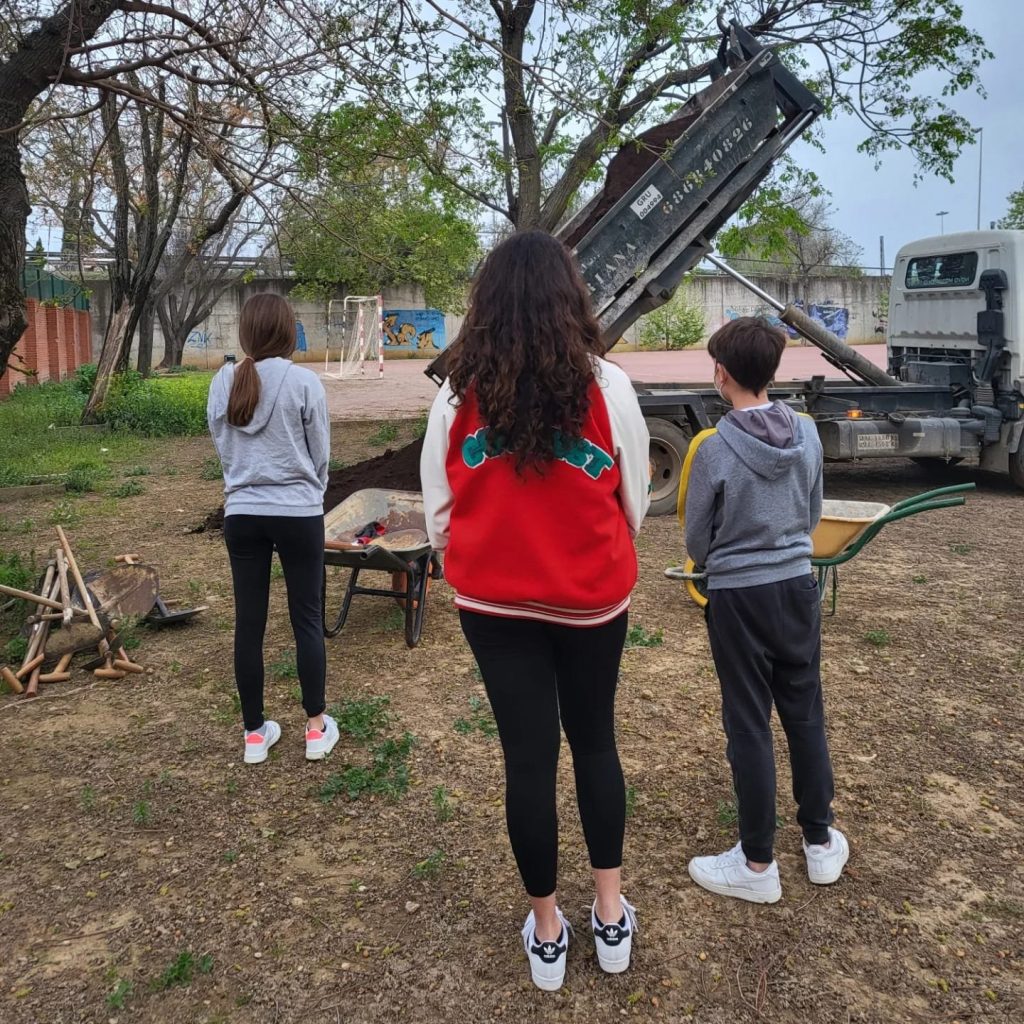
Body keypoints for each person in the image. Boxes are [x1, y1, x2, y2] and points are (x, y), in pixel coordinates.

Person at [420, 230, 651, 991]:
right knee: (594, 742)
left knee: (528, 757)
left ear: (484, 305)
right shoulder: (608, 386)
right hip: (590, 598)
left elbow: (438, 511)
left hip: (494, 602)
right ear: (571, 297)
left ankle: (547, 928)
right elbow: (636, 502)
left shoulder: (455, 393)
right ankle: (610, 915)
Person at [681, 316, 848, 904]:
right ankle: (821, 842)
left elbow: (697, 539)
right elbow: (811, 512)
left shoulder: (715, 447)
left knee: (748, 721)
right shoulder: (806, 432)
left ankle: (757, 864)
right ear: (773, 370)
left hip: (738, 597)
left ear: (722, 375)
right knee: (804, 710)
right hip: (797, 586)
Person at [207, 293, 339, 765]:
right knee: (306, 617)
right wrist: (309, 492)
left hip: (242, 514)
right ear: (288, 332)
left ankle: (254, 735)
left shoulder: (223, 381)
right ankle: (315, 728)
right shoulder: (305, 382)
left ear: (245, 333)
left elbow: (223, 446)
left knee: (249, 623)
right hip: (299, 513)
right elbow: (320, 453)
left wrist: (244, 485)